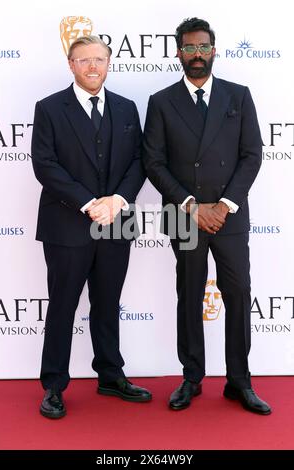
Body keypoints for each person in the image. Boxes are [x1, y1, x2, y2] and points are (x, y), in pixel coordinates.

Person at [143, 18, 271, 414]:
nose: (196, 55)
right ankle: (192, 377)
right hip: (186, 216)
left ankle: (239, 382)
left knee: (237, 294)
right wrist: (191, 206)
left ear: (213, 50)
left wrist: (224, 205)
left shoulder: (239, 96)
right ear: (178, 53)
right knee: (189, 296)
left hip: (229, 215)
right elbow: (154, 161)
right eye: (189, 48)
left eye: (203, 48)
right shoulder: (161, 101)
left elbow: (252, 155)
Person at [31, 35, 151, 419]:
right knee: (63, 305)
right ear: (71, 64)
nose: (93, 66)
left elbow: (139, 161)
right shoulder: (49, 108)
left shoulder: (127, 107)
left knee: (107, 303)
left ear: (109, 62)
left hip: (118, 219)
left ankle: (110, 375)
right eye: (84, 60)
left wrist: (118, 200)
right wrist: (88, 203)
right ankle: (53, 385)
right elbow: (45, 165)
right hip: (67, 223)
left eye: (99, 59)